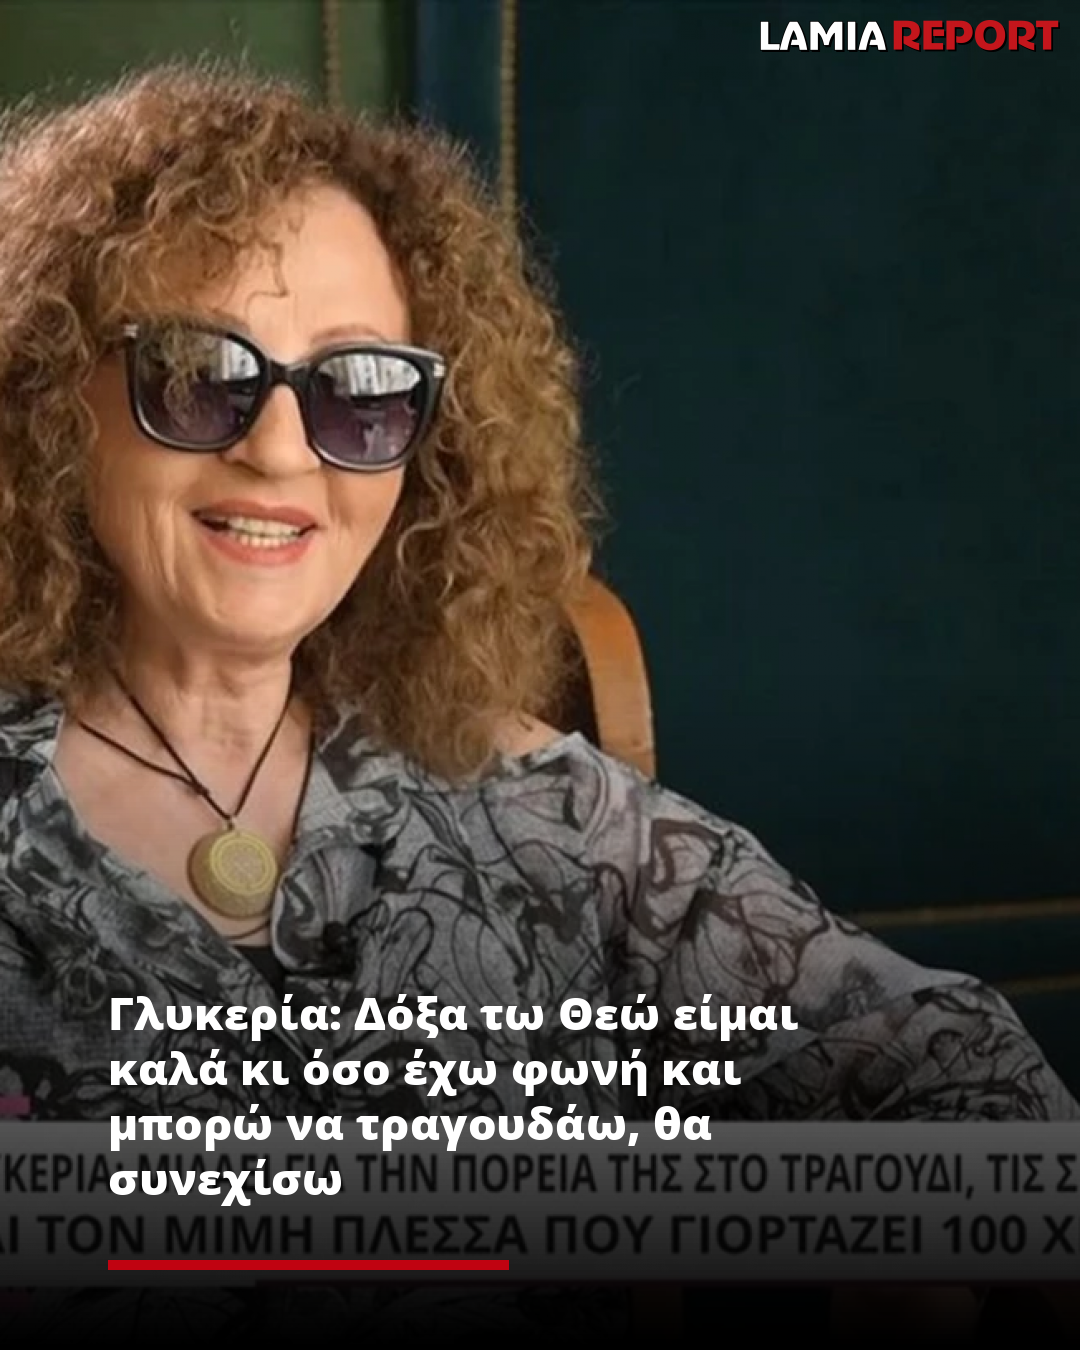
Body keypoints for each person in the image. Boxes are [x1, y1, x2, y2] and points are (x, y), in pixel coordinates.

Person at [0, 58, 1073, 1343]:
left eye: (360, 390)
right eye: (195, 370)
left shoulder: (534, 808)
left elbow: (981, 1095)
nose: (279, 450)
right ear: (54, 395)